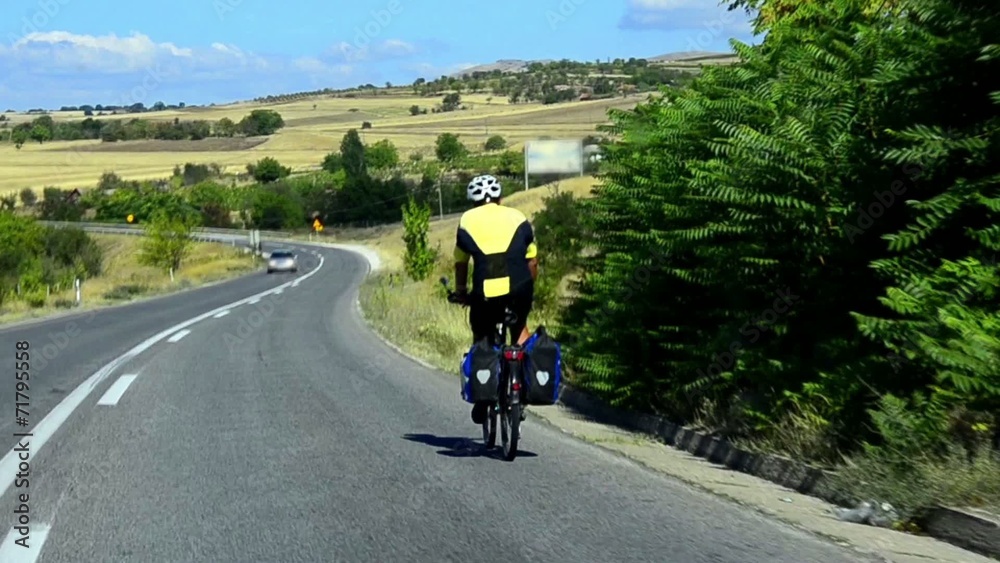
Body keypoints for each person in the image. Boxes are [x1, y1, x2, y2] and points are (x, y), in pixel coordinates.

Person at [453, 174, 538, 425]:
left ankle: (483, 397)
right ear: (500, 198)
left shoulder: (467, 220)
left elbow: (461, 263)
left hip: (486, 293)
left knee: (482, 336)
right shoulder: (517, 217)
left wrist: (461, 292)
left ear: (473, 202)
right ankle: (525, 387)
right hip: (520, 288)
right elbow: (532, 261)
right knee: (520, 328)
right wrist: (528, 289)